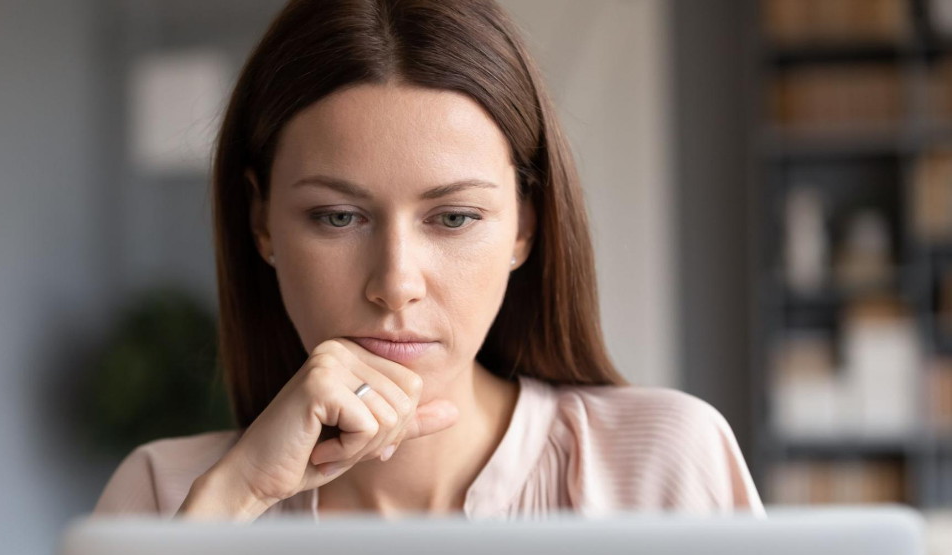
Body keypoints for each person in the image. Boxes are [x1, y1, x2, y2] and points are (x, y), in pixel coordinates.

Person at [91, 0, 766, 523]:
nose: (395, 284)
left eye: (453, 218)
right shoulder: (166, 498)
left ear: (524, 227)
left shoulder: (662, 469)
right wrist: (238, 497)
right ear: (261, 222)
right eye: (337, 217)